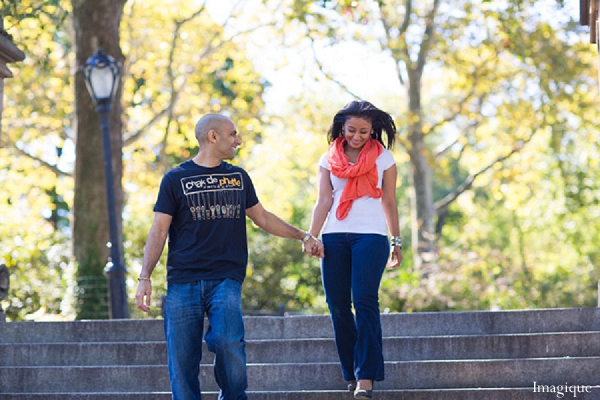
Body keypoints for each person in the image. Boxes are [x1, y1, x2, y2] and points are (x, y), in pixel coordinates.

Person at [135, 113, 324, 400]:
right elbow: (159, 229)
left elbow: (262, 217)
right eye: (233, 134)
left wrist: (304, 235)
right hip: (183, 280)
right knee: (182, 361)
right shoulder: (175, 178)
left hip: (226, 278)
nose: (239, 140)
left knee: (228, 341)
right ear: (213, 137)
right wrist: (145, 276)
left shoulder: (238, 177)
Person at [307, 100, 402, 399]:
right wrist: (310, 236)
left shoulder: (384, 158)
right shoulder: (328, 158)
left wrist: (396, 241)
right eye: (351, 130)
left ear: (373, 130)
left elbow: (388, 202)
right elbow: (324, 200)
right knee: (337, 304)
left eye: (364, 131)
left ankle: (366, 377)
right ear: (341, 128)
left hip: (370, 237)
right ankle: (351, 371)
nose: (357, 136)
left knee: (364, 300)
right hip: (334, 235)